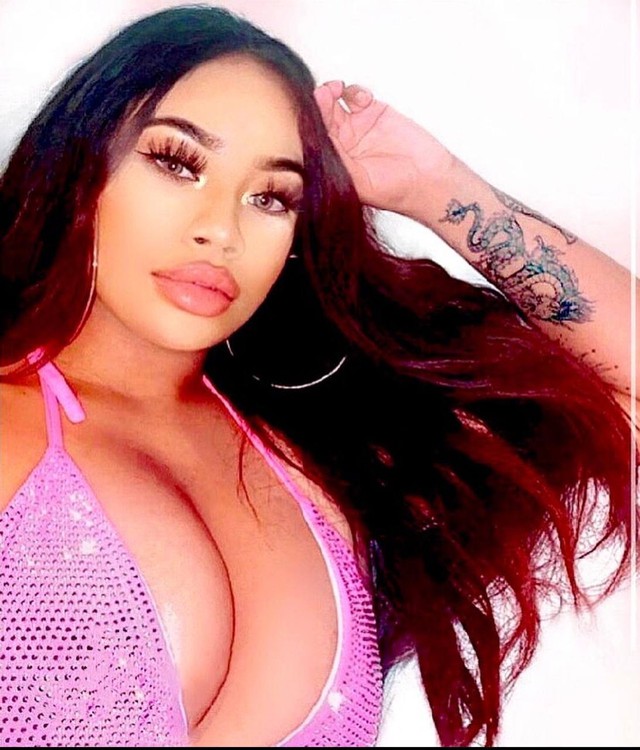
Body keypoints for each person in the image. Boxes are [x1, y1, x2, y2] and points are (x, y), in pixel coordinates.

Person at [0, 3, 637, 747]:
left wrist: (436, 189)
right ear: (80, 169)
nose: (222, 229)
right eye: (178, 162)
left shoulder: (315, 460)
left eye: (271, 197)